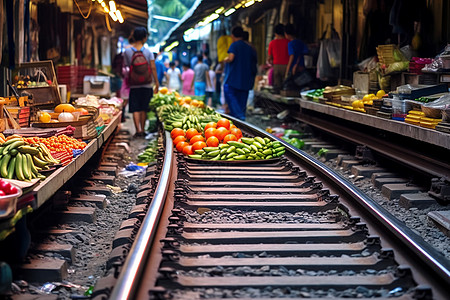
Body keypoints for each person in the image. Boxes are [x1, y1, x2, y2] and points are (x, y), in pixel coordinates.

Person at [124, 27, 159, 138]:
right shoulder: (148, 52)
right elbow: (153, 68)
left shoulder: (127, 52)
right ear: (144, 38)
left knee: (135, 108)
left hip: (134, 84)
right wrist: (156, 83)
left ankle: (138, 130)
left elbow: (127, 66)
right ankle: (143, 130)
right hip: (147, 84)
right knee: (144, 107)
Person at [223, 26, 257, 120]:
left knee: (230, 96)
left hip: (233, 79)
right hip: (246, 80)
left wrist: (226, 59)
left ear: (233, 36)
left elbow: (231, 58)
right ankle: (241, 120)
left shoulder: (234, 45)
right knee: (242, 102)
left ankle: (239, 118)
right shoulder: (250, 47)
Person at [268, 24, 290, 93]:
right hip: (287, 66)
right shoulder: (288, 42)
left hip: (276, 66)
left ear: (275, 33)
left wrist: (271, 62)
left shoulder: (272, 43)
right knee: (286, 85)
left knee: (277, 86)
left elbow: (269, 57)